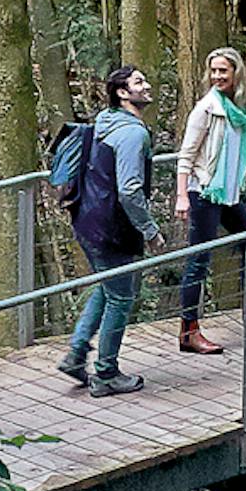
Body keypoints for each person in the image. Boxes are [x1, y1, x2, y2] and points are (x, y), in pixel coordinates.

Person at [170, 46, 246, 352]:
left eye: (224, 70)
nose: (218, 76)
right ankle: (188, 331)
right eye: (214, 71)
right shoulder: (206, 108)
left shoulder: (242, 108)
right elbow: (186, 155)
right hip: (205, 192)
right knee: (199, 260)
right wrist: (182, 196)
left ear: (236, 73)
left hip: (229, 194)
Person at [57, 65, 162, 395]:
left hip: (87, 218)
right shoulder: (132, 134)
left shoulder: (105, 121)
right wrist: (149, 229)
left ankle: (76, 354)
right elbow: (130, 190)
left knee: (108, 286)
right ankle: (106, 373)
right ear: (122, 93)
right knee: (121, 296)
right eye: (138, 82)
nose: (146, 86)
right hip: (111, 227)